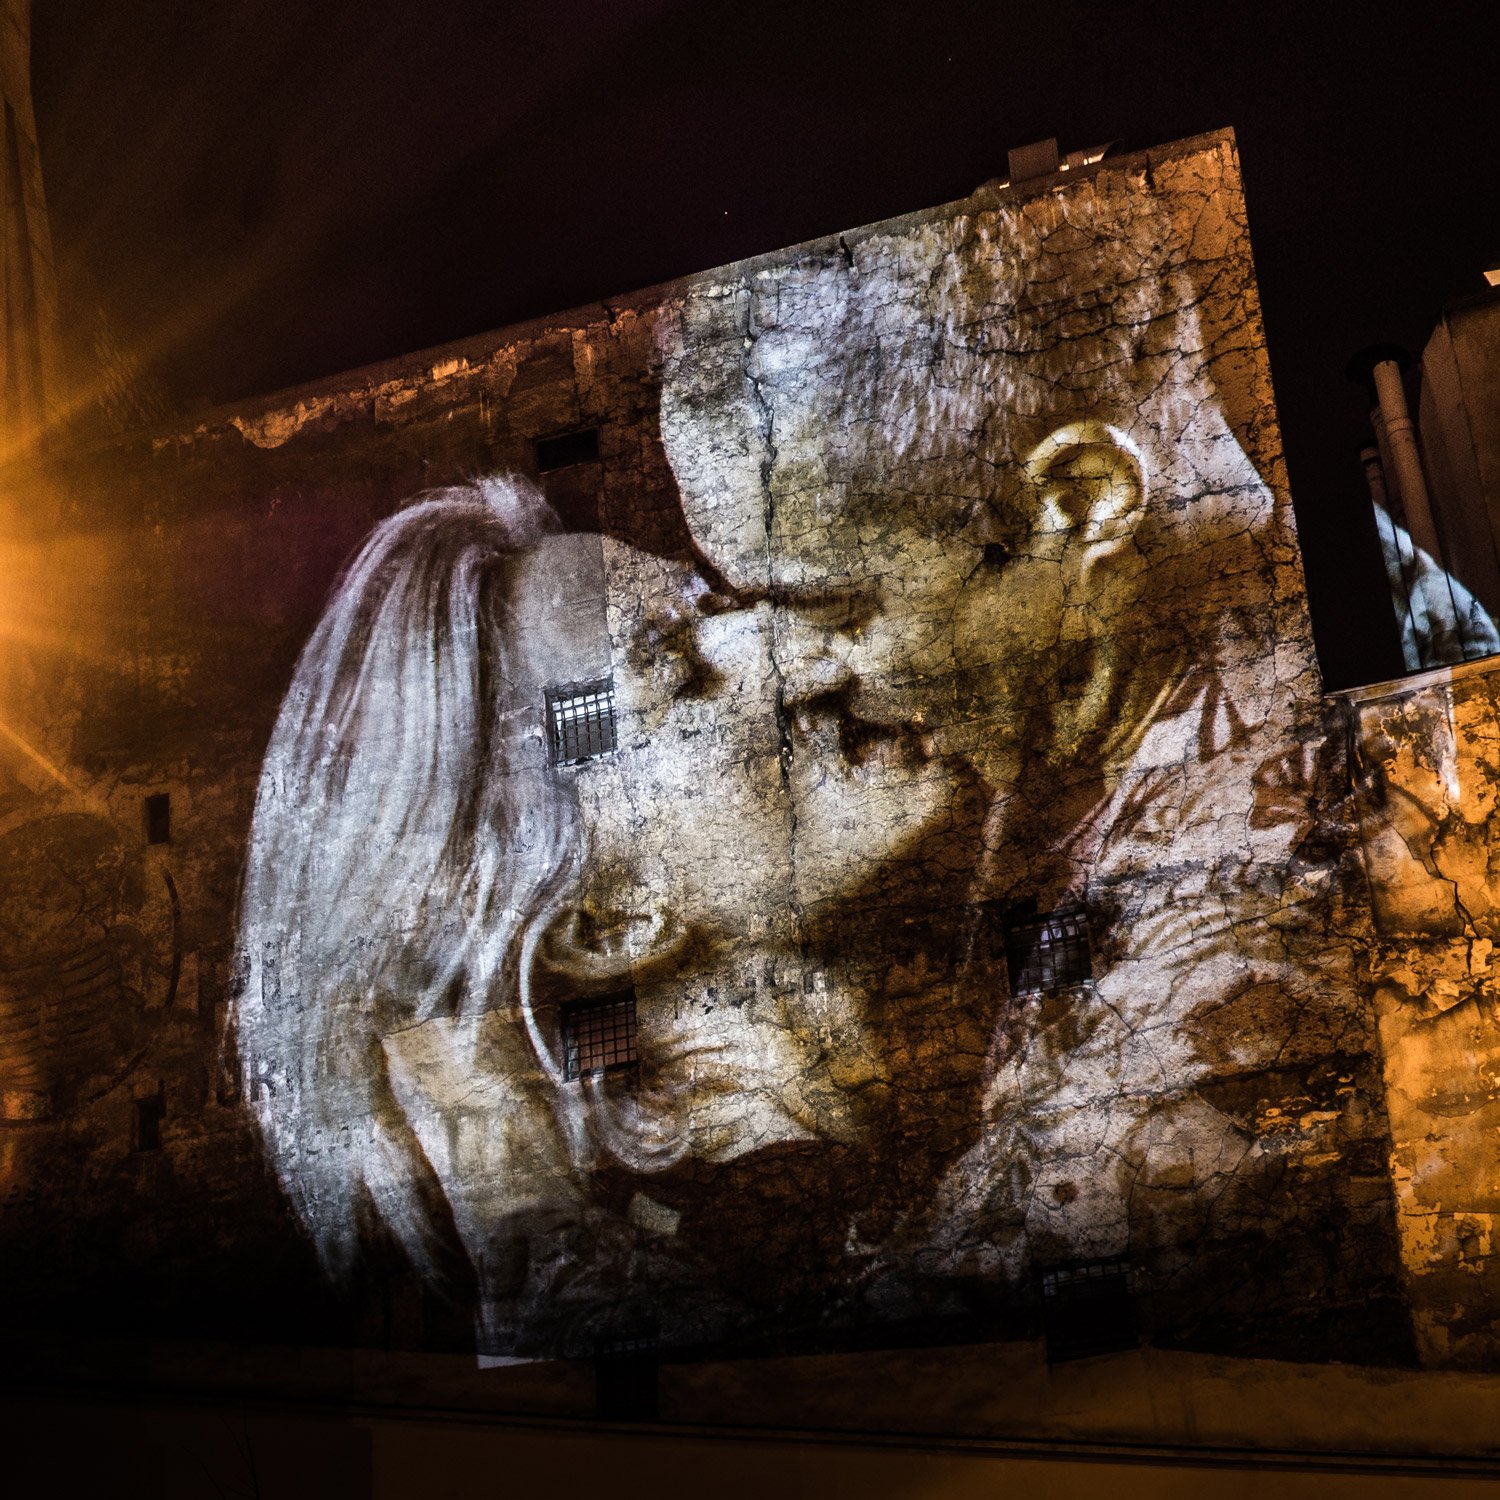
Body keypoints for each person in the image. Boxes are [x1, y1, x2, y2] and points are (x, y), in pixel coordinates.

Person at [238, 149, 1388, 1357]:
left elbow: (930, 1371)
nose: (779, 648)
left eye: (823, 600)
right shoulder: (1030, 780)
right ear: (612, 920)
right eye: (686, 660)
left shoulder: (1231, 885)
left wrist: (522, 1212)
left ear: (1083, 502)